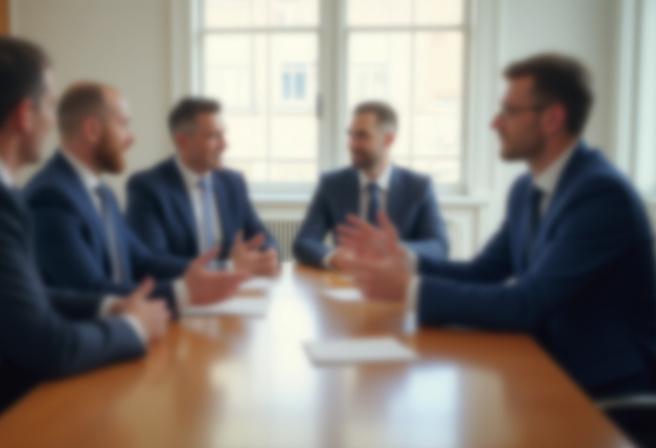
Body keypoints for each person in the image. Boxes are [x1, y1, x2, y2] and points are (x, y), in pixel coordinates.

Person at [0, 37, 172, 430]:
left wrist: (108, 307)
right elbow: (47, 348)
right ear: (24, 114)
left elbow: (21, 296)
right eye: (51, 105)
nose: (54, 121)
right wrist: (134, 328)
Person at [339, 53, 656, 398]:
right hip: (547, 365)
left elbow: (527, 304)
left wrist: (409, 289)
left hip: (605, 389)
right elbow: (484, 271)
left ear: (552, 118)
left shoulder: (601, 194)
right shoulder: (525, 189)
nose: (495, 123)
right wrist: (406, 260)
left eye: (509, 111)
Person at [25, 82, 249, 308]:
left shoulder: (104, 194)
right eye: (123, 125)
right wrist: (183, 291)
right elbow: (90, 290)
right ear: (92, 130)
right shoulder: (51, 197)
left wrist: (213, 271)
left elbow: (141, 261)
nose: (131, 138)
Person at [126, 97, 279, 276]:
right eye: (214, 137)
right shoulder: (147, 187)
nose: (224, 145)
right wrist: (227, 267)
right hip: (181, 291)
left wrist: (267, 256)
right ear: (183, 141)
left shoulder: (233, 183)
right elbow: (153, 262)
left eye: (223, 135)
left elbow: (263, 239)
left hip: (238, 288)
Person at [294, 101, 448, 270]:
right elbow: (304, 241)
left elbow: (439, 247)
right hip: (345, 279)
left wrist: (393, 249)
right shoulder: (331, 184)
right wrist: (334, 256)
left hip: (397, 280)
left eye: (362, 136)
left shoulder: (418, 186)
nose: (352, 144)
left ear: (389, 139)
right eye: (351, 135)